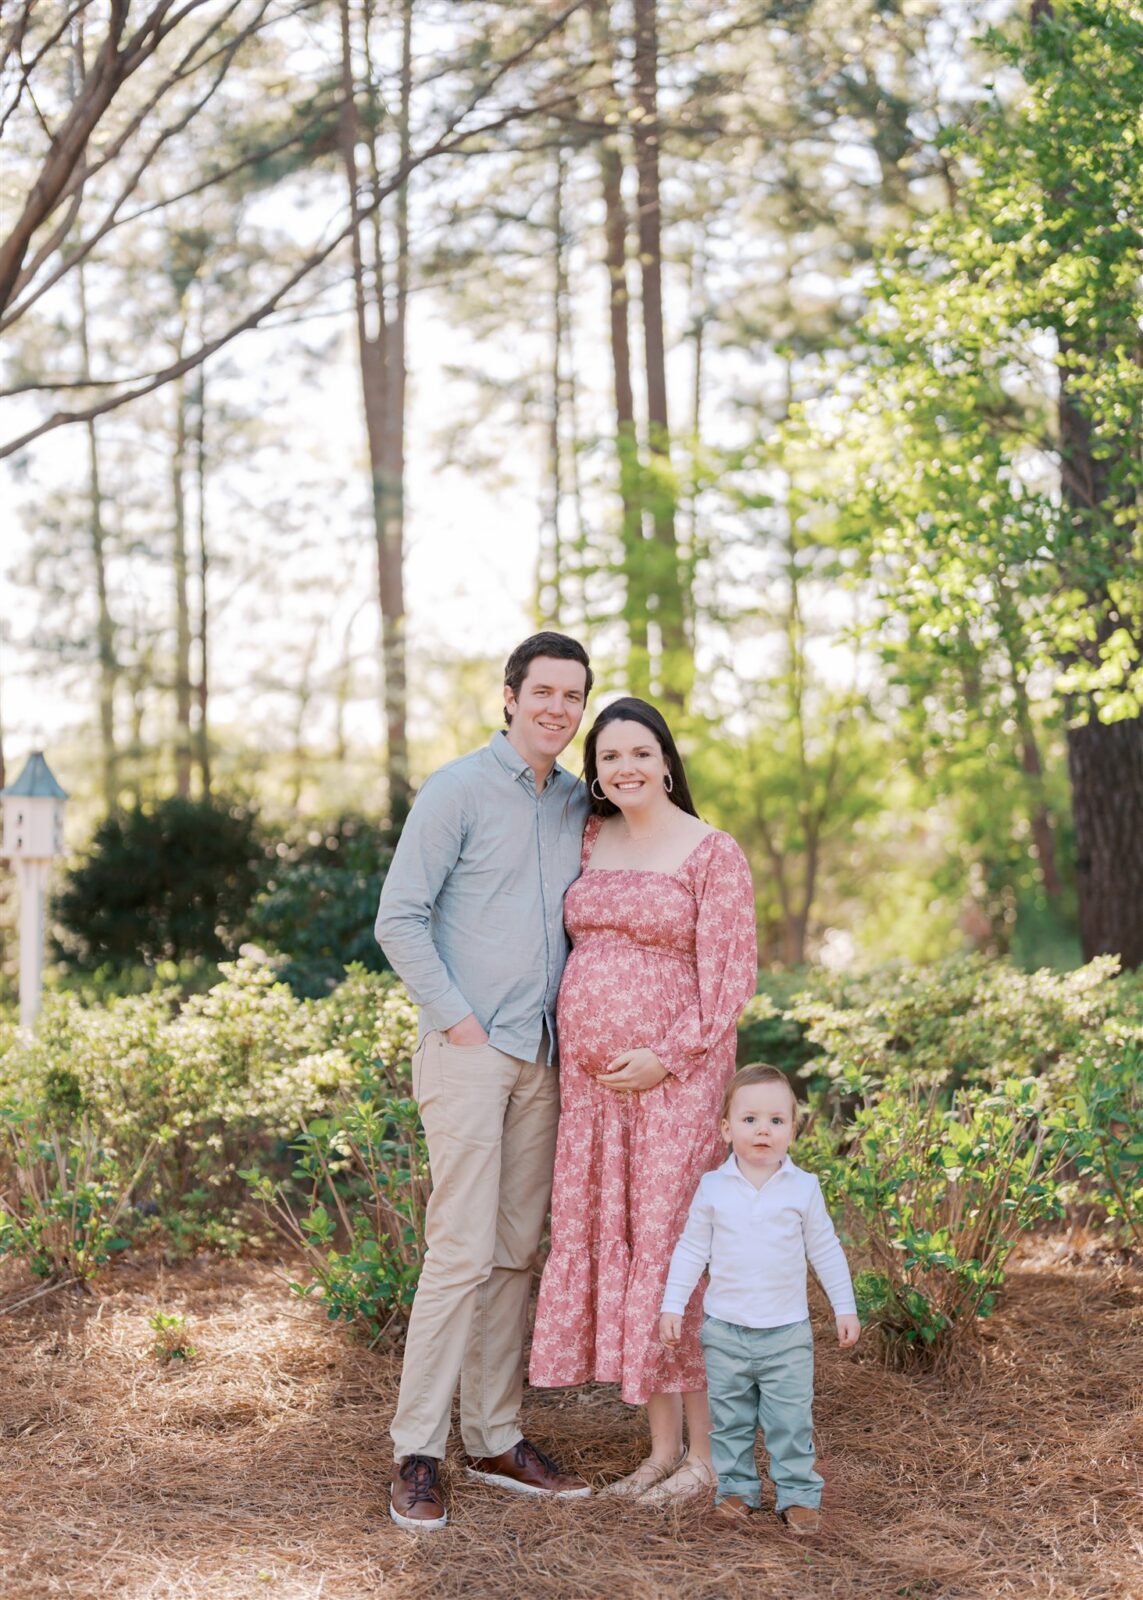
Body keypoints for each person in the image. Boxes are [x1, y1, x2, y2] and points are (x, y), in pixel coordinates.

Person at [374, 631, 594, 1530]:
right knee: (460, 1251)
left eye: (572, 698)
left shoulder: (580, 802)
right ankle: (417, 1451)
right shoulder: (456, 788)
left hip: (542, 1058)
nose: (557, 709)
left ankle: (494, 1434)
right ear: (508, 696)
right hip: (469, 1051)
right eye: (542, 692)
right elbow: (399, 918)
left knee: (513, 1256)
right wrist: (458, 1021)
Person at [528, 697, 758, 1504]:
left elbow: (730, 983)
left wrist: (666, 1058)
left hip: (677, 1088)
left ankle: (710, 1459)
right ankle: (661, 1452)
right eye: (608, 756)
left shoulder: (711, 852)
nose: (623, 767)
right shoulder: (590, 840)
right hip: (595, 1097)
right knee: (630, 1250)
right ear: (594, 773)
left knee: (673, 1254)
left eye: (638, 751)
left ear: (666, 760)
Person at [659, 1064, 860, 1533]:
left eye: (776, 1120)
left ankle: (798, 1495)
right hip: (725, 1331)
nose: (763, 1130)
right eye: (750, 1120)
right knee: (729, 1421)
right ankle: (736, 1490)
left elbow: (825, 1249)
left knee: (790, 1422)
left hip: (786, 1333)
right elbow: (691, 1249)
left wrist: (844, 1307)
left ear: (793, 1128)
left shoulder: (803, 1188)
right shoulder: (713, 1187)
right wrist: (673, 1305)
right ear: (727, 1128)